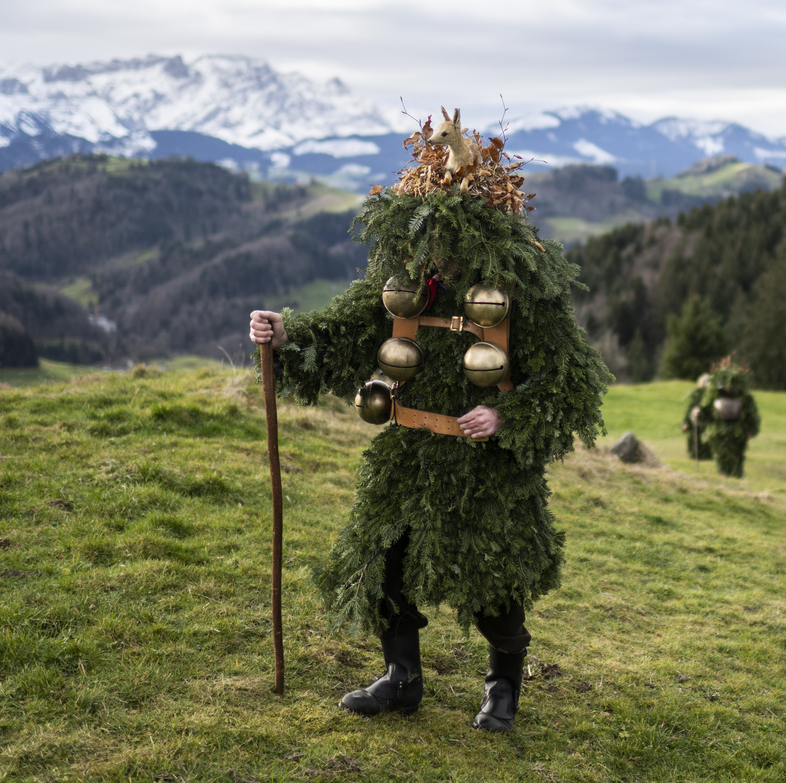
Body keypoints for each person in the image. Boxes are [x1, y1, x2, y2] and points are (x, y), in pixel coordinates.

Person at [250, 113, 610, 734]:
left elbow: (572, 383)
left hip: (485, 467)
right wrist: (288, 334)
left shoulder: (522, 291)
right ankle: (402, 679)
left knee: (492, 579)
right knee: (383, 560)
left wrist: (506, 414)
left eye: (452, 233)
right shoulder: (406, 286)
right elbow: (345, 331)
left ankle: (502, 687)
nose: (437, 248)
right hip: (408, 453)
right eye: (431, 230)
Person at [694, 356, 761, 477]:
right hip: (718, 433)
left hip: (739, 433)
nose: (729, 388)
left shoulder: (745, 398)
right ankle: (725, 478)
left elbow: (752, 415)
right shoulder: (713, 395)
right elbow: (706, 412)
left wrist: (751, 429)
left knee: (738, 457)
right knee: (723, 456)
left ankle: (737, 478)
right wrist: (698, 414)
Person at [681, 373, 713, 461]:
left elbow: (690, 408)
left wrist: (686, 422)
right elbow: (691, 408)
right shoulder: (700, 394)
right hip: (699, 420)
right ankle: (699, 454)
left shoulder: (706, 394)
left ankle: (699, 454)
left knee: (700, 437)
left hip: (702, 420)